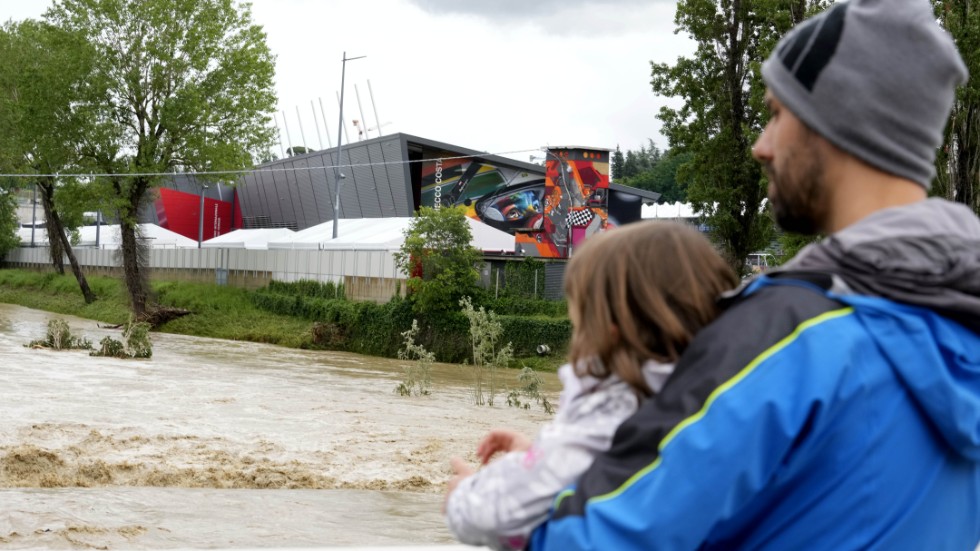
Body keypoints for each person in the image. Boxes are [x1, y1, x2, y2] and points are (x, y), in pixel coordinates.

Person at [531, 0, 980, 549]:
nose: (760, 146)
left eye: (777, 114)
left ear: (836, 124)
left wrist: (525, 492)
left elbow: (588, 538)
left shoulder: (784, 339)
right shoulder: (960, 323)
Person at [444, 220, 738, 551]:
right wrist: (535, 455)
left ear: (609, 329)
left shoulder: (612, 405)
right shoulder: (709, 395)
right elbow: (604, 473)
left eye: (579, 321)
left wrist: (466, 494)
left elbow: (490, 517)